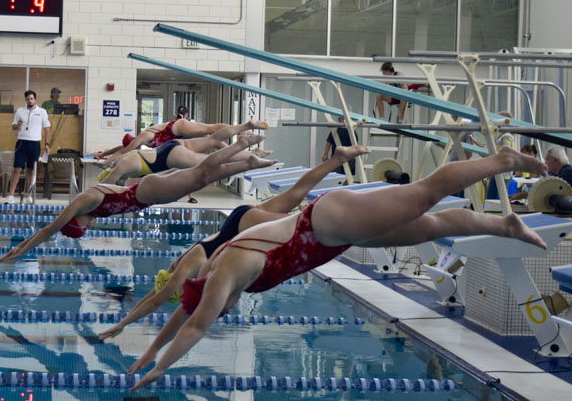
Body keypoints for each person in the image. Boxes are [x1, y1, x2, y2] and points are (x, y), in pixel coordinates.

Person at [127, 146, 548, 391]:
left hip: (327, 222)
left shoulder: (224, 274)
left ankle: (503, 159)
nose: (230, 309)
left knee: (423, 196)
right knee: (428, 228)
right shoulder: (212, 282)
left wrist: (163, 367)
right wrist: (150, 350)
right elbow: (187, 312)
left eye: (224, 307)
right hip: (332, 239)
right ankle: (504, 224)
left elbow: (196, 326)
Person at [97, 144, 369, 341]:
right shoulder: (187, 267)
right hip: (237, 222)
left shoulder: (188, 268)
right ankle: (337, 159)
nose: (226, 306)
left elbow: (156, 301)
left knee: (304, 221)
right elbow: (155, 298)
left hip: (241, 227)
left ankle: (341, 210)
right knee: (296, 195)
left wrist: (122, 324)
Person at [0, 133, 277, 260]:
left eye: (83, 228)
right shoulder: (93, 209)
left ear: (78, 221)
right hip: (149, 193)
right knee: (203, 176)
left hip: (146, 191)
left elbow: (51, 228)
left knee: (201, 173)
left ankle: (241, 146)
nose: (89, 228)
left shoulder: (86, 201)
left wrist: (21, 249)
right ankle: (247, 163)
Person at [98, 120, 270, 185]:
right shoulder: (130, 161)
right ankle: (247, 131)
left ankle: (247, 148)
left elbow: (104, 186)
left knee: (211, 157)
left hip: (173, 139)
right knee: (212, 139)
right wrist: (104, 157)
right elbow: (121, 150)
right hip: (173, 145)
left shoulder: (127, 161)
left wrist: (105, 164)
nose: (121, 183)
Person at [96, 117, 234, 166]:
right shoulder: (140, 143)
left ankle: (241, 129)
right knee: (211, 140)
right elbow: (118, 149)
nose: (134, 148)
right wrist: (103, 154)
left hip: (175, 127)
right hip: (176, 137)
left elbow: (123, 151)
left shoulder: (143, 137)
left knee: (210, 129)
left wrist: (106, 162)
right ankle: (233, 152)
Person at [4, 90, 50, 204]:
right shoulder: (20, 111)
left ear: (35, 99)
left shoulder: (42, 112)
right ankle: (11, 195)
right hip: (22, 143)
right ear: (25, 100)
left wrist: (47, 144)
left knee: (31, 170)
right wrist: (18, 125)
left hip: (35, 143)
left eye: (32, 99)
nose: (30, 100)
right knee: (17, 169)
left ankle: (29, 194)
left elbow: (47, 129)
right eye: (28, 99)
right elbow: (13, 127)